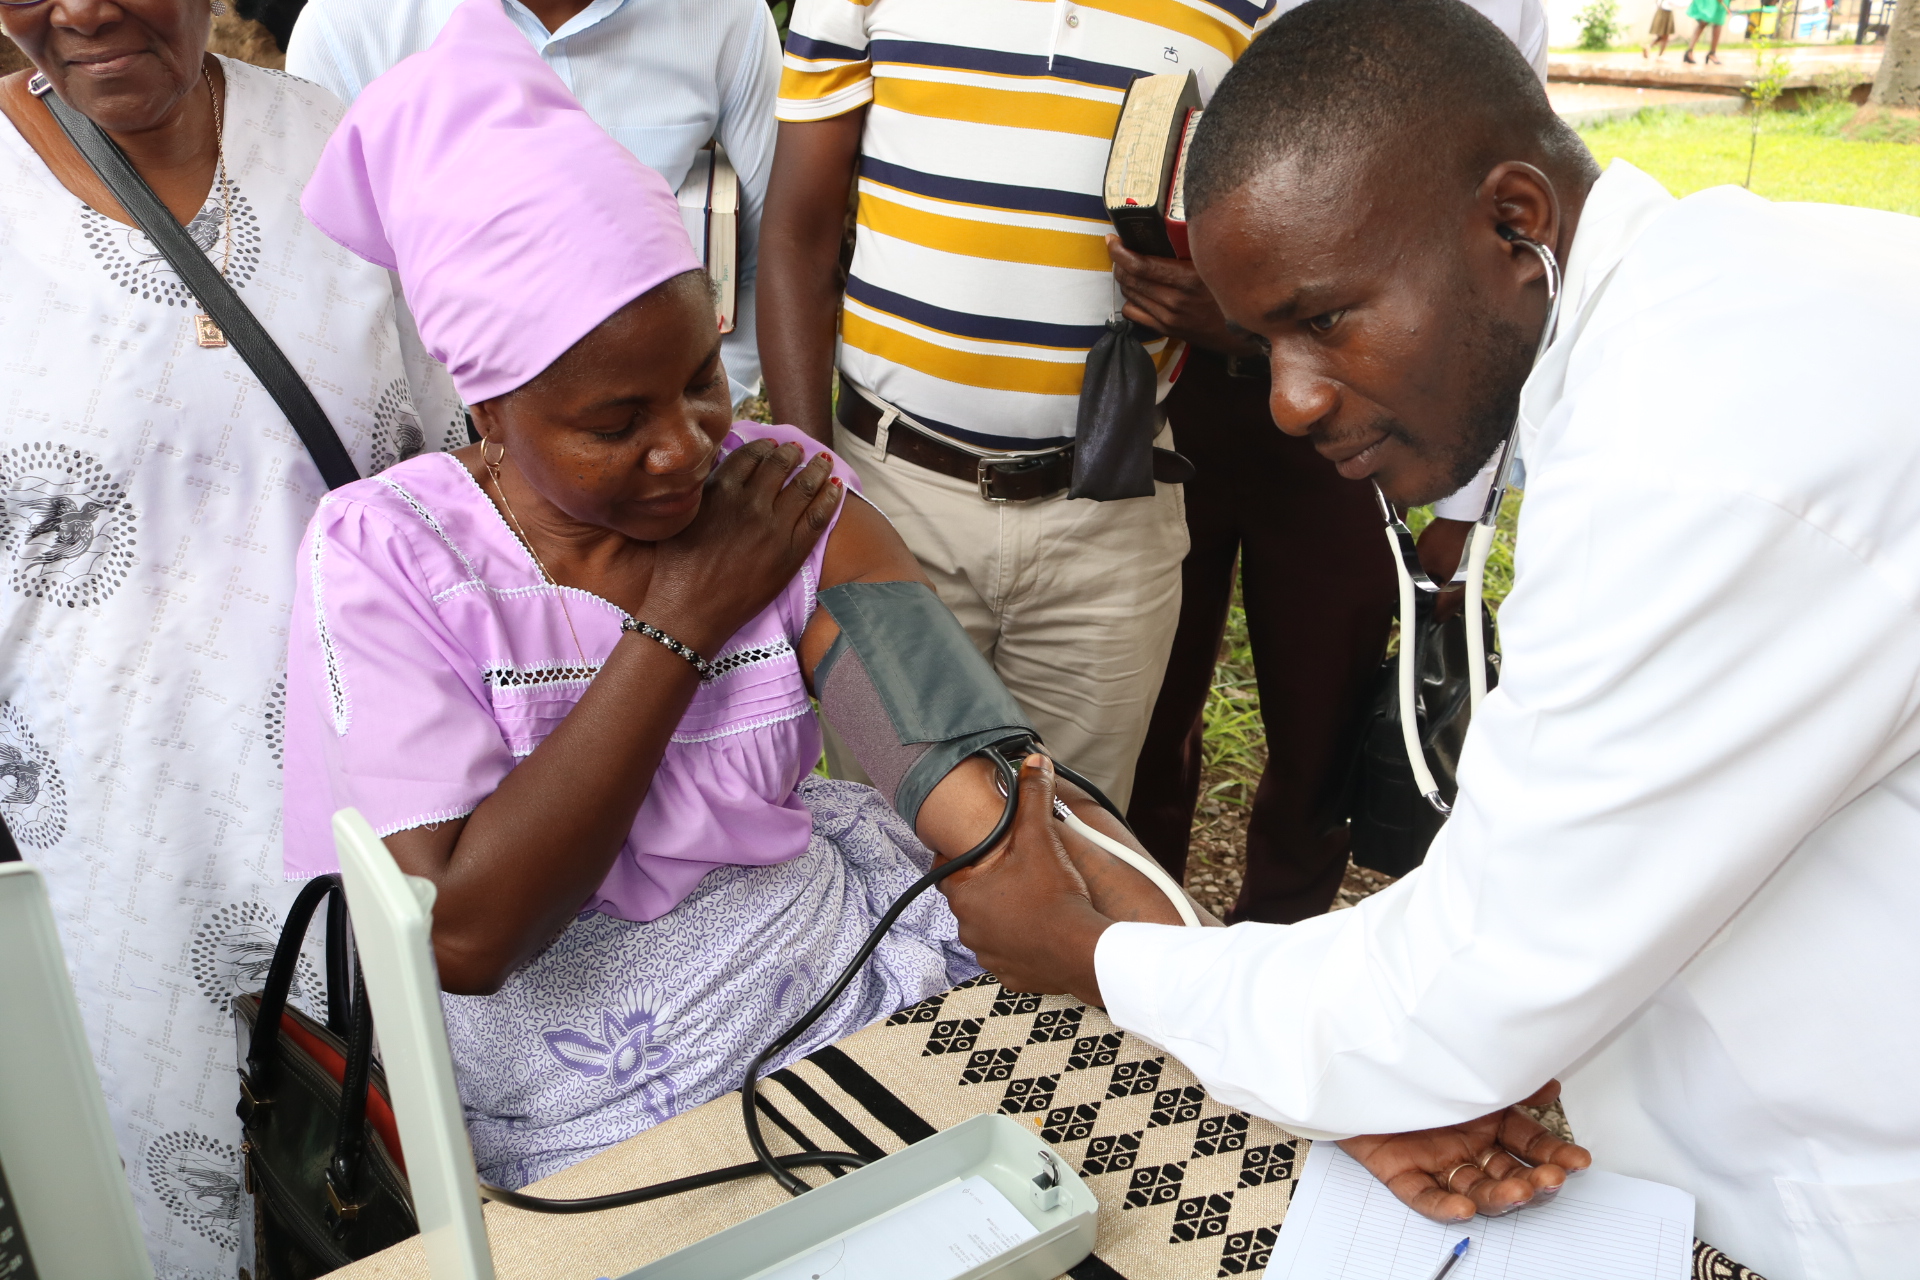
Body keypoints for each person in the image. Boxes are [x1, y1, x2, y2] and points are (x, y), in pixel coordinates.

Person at [938, 0, 1920, 1274]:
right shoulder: (1723, 299)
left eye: (1326, 319)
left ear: (1516, 221)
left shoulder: (1690, 457)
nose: (1289, 402)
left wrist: (1092, 953)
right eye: (1264, 346)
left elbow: (1476, 970)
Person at [285, 0, 1181, 1187]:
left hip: (832, 999)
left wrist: (1236, 1008)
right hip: (571, 1112)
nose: (687, 445)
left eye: (704, 375)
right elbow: (464, 931)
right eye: (617, 423)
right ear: (491, 408)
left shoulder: (781, 498)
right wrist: (684, 623)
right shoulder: (391, 557)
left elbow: (972, 787)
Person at [760, 0, 1547, 811]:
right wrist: (822, 494)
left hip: (1108, 518)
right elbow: (798, 235)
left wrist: (1233, 323)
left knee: (1081, 841)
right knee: (896, 831)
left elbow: (1295, 253)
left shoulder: (1251, 12)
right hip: (890, 502)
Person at [0, 0, 460, 1270]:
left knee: (414, 1196)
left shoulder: (344, 157)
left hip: (396, 835)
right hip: (121, 880)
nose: (84, 8)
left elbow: (472, 485)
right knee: (184, 1209)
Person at [1124, 0, 1549, 925]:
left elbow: (1495, 245)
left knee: (1319, 726)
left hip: (1362, 424)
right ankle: (1140, 942)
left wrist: (1464, 507)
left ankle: (1281, 946)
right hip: (1187, 406)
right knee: (1153, 710)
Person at [284, 0, 779, 408]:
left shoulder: (726, 16)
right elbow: (338, 291)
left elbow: (769, 250)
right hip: (446, 437)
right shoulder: (345, 26)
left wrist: (699, 405)